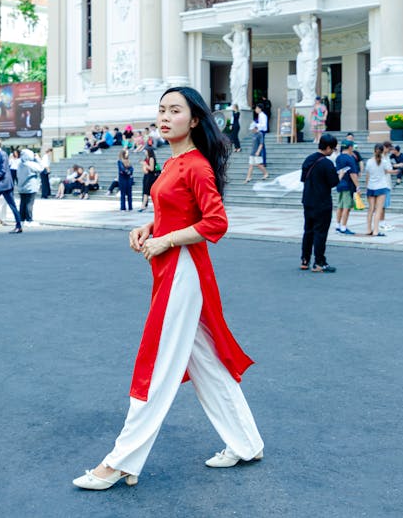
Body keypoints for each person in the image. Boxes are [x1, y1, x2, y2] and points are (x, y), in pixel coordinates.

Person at [73, 86, 263, 491]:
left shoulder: (195, 165)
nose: (164, 116)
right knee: (207, 364)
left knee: (156, 366)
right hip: (170, 270)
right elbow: (177, 214)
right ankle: (247, 443)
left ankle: (121, 461)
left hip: (182, 272)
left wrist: (167, 240)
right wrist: (150, 228)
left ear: (194, 120)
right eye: (161, 110)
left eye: (174, 110)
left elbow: (216, 222)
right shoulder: (173, 162)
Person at [300, 133, 345, 273]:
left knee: (308, 231)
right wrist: (341, 175)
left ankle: (305, 260)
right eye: (333, 148)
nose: (333, 151)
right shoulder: (326, 163)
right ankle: (319, 262)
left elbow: (303, 179)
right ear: (327, 147)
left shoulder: (309, 159)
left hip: (308, 200)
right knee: (320, 232)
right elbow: (333, 182)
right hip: (322, 202)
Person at [365, 144, 397, 237]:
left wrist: (367, 187)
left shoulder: (369, 161)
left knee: (370, 210)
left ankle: (368, 229)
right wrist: (396, 171)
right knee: (378, 210)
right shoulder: (384, 161)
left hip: (371, 187)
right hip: (381, 187)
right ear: (383, 151)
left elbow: (367, 175)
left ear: (374, 150)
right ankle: (375, 231)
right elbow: (388, 171)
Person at [335, 140, 360, 235]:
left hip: (340, 184)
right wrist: (358, 187)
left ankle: (337, 225)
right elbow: (353, 174)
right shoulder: (350, 159)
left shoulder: (339, 158)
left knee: (340, 206)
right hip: (348, 186)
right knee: (347, 207)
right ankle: (343, 228)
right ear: (350, 147)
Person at [222, 25, 250, 110]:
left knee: (242, 85)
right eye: (235, 37)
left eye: (238, 37)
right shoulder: (234, 46)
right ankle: (235, 103)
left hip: (242, 65)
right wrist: (233, 31)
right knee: (233, 85)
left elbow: (245, 36)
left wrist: (242, 31)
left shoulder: (243, 46)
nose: (236, 39)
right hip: (235, 67)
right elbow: (225, 38)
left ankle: (242, 103)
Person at [17, 149, 43, 225]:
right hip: (30, 186)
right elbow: (41, 168)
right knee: (29, 203)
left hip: (21, 186)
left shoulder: (20, 164)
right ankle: (29, 220)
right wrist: (38, 158)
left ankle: (21, 219)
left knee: (22, 203)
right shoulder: (30, 164)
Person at [138, 146, 157, 212]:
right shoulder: (146, 158)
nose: (144, 152)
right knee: (145, 191)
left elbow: (151, 169)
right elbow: (145, 170)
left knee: (147, 191)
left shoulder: (151, 158)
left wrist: (145, 164)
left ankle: (143, 206)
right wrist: (144, 166)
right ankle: (144, 205)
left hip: (151, 177)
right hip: (146, 176)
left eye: (145, 151)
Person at [254, 103, 268, 168]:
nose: (255, 110)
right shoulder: (260, 115)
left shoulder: (263, 115)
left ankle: (263, 162)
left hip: (262, 132)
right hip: (260, 132)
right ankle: (261, 161)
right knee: (260, 147)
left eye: (256, 108)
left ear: (260, 109)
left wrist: (257, 125)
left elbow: (264, 125)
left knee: (262, 147)